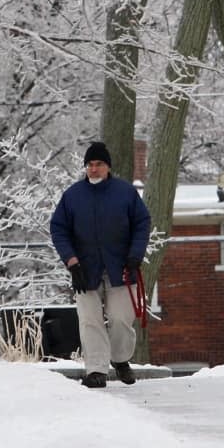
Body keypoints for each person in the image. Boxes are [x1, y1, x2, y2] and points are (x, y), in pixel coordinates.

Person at [50, 141, 151, 388]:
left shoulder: (125, 193)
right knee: (89, 319)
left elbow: (142, 223)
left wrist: (135, 255)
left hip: (122, 268)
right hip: (84, 271)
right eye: (90, 165)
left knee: (120, 318)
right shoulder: (72, 196)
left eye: (99, 164)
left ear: (108, 167)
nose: (93, 169)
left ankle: (120, 360)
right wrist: (72, 263)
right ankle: (96, 370)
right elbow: (58, 228)